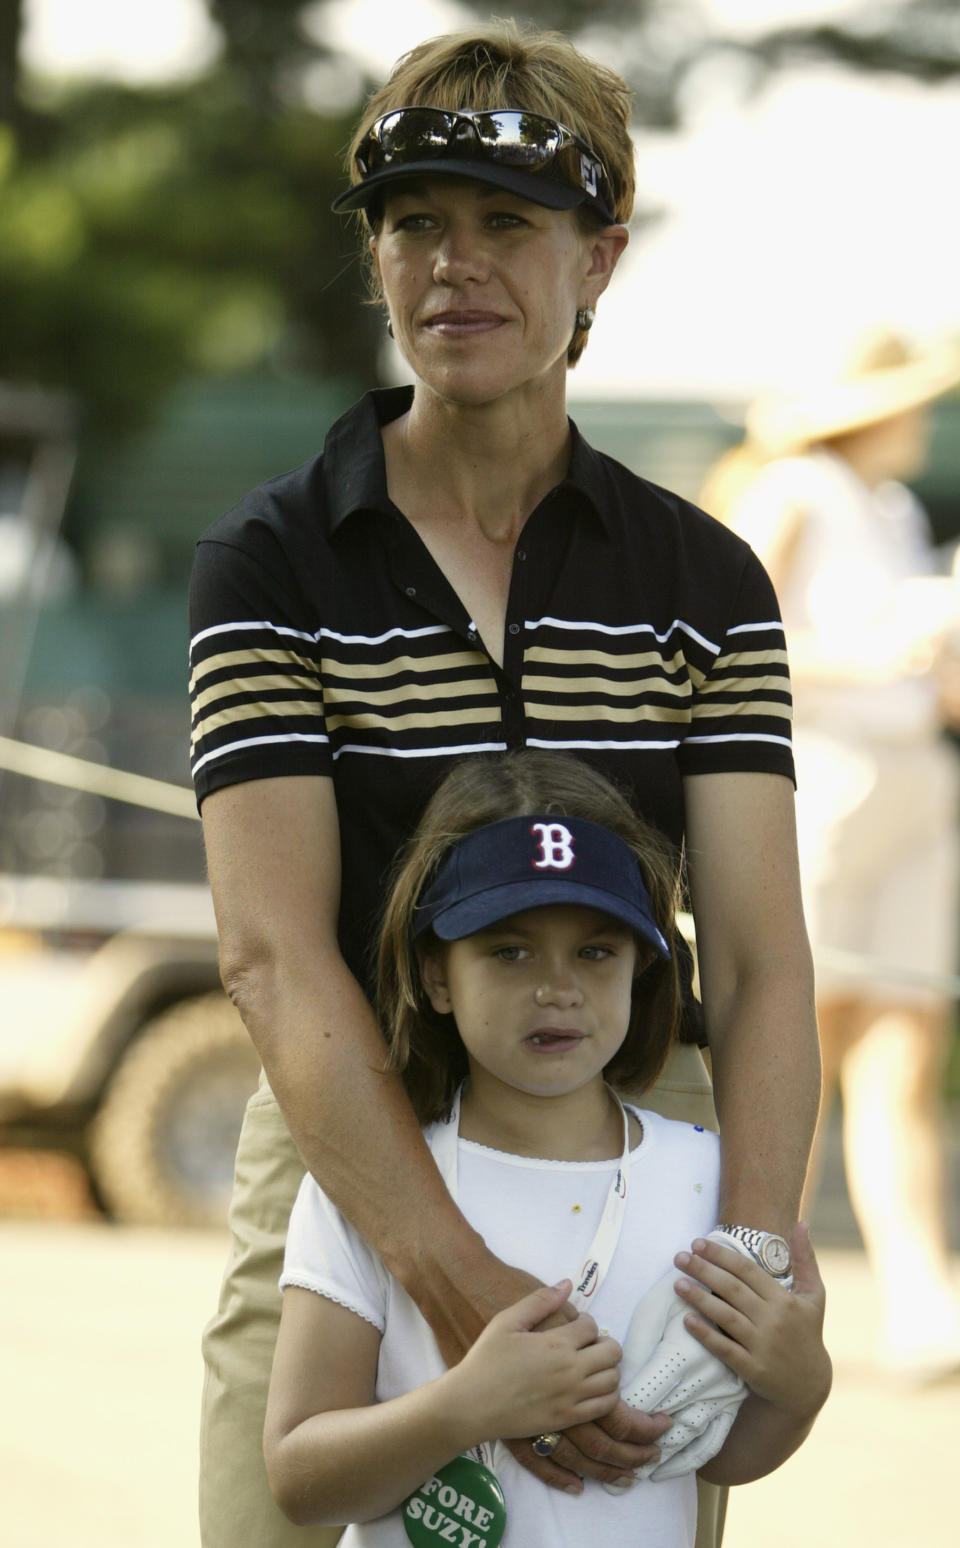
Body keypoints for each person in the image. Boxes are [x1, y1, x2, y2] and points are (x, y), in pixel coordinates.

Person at [188, 21, 819, 1548]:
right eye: (415, 225)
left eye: (507, 226)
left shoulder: (704, 578)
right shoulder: (269, 563)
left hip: (629, 1147)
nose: (453, 265)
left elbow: (752, 955)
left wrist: (754, 1264)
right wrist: (461, 1289)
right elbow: (274, 955)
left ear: (597, 261)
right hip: (348, 1135)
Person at [263, 751, 831, 1546]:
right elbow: (298, 1474)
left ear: (643, 968)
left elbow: (718, 1456)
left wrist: (798, 1386)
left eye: (597, 951)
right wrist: (461, 1409)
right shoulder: (369, 1188)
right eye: (508, 949)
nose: (557, 987)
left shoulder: (709, 1179)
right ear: (434, 974)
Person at [706, 329, 960, 1381]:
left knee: (902, 1055)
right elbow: (730, 640)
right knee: (788, 1049)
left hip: (912, 788)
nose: (926, 416)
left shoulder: (899, 514)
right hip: (819, 786)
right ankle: (753, 1294)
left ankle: (921, 1304)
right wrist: (874, 657)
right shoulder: (795, 490)